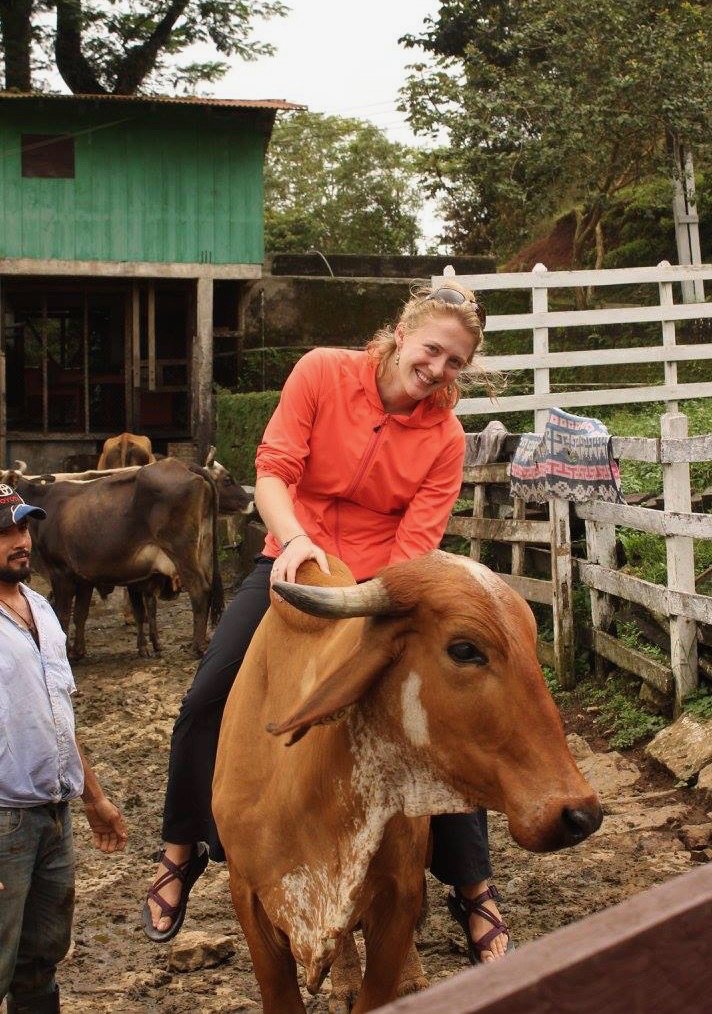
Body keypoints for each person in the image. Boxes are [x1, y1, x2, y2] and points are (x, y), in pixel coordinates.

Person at [142, 280, 510, 964]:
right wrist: (297, 540)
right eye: (432, 350)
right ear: (403, 333)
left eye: (455, 362)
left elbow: (416, 546)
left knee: (443, 713)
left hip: (379, 591)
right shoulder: (321, 372)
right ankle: (182, 844)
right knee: (206, 697)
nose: (436, 369)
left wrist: (367, 602)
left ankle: (473, 883)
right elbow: (274, 471)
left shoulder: (445, 438)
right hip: (292, 561)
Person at [0, 486, 128, 1013]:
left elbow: (62, 715)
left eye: (24, 529)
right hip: (5, 821)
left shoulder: (42, 611)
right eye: (5, 532)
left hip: (54, 817)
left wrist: (93, 799)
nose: (21, 541)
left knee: (42, 958)